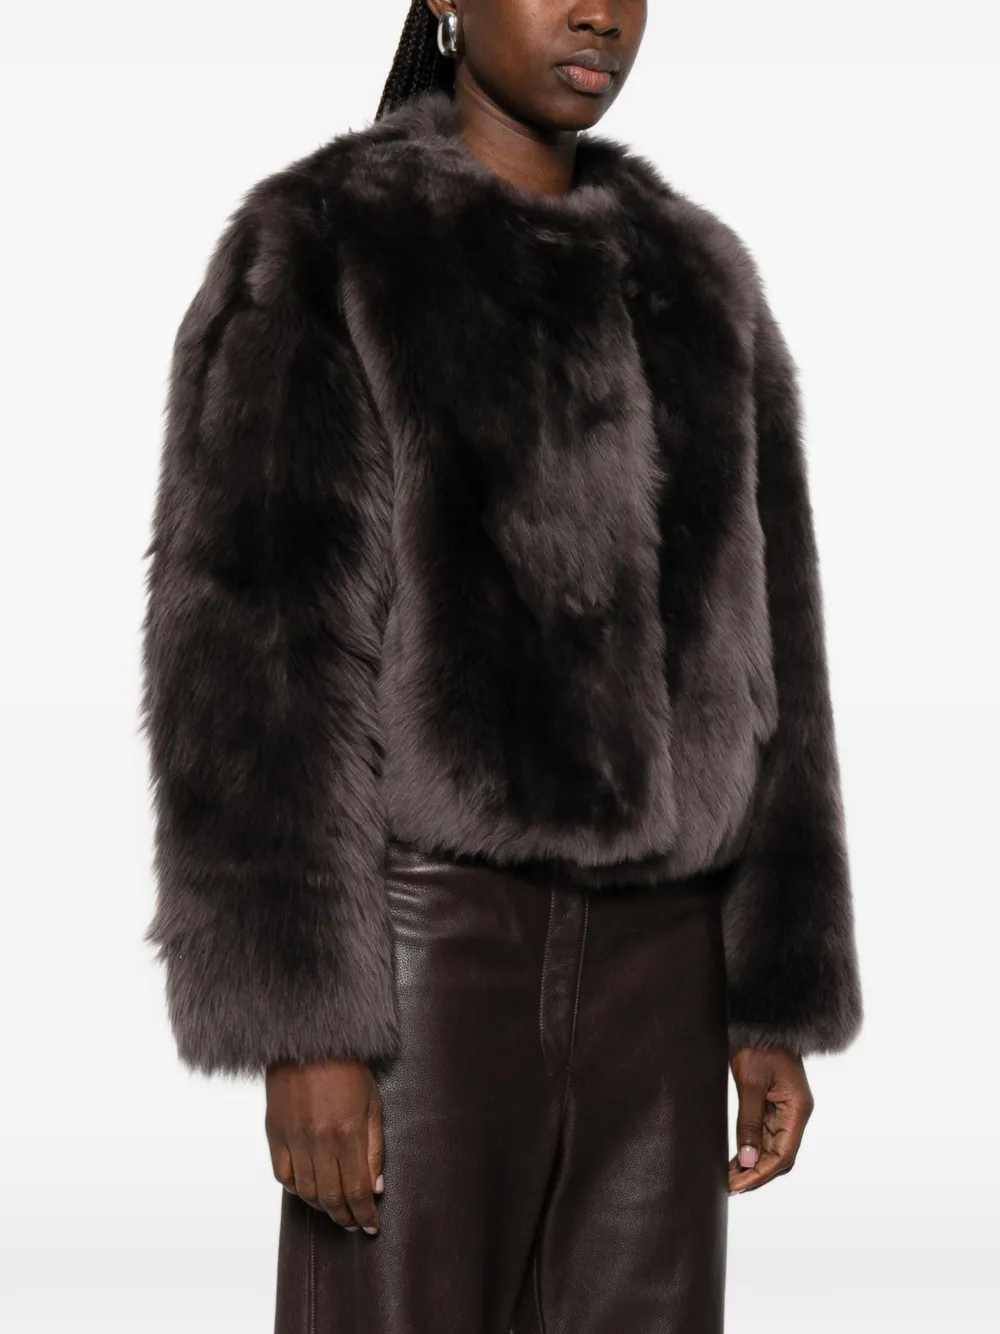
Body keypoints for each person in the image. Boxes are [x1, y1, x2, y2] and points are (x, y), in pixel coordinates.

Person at [140, 2, 864, 1330]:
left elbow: (780, 662)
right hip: (426, 967)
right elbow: (253, 660)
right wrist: (307, 1022)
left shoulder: (702, 282)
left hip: (667, 976)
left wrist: (773, 998)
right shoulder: (327, 248)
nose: (599, 12)